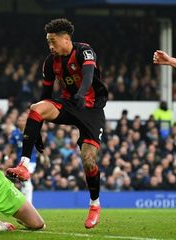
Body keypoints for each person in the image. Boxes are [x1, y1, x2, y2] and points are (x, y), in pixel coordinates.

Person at [7, 18, 107, 229]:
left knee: (88, 160)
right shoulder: (50, 62)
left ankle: (95, 204)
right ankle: (24, 165)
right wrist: (38, 126)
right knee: (35, 107)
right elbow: (45, 95)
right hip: (69, 105)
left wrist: (81, 94)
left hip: (91, 109)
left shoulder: (84, 51)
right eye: (48, 42)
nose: (50, 46)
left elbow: (88, 76)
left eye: (53, 41)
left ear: (65, 39)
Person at [5, 111, 38, 203]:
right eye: (19, 120)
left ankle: (29, 205)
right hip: (20, 162)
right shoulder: (15, 133)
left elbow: (39, 145)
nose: (20, 121)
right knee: (23, 182)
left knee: (26, 181)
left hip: (31, 161)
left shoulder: (31, 131)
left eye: (22, 120)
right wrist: (7, 158)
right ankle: (24, 204)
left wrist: (44, 157)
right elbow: (11, 147)